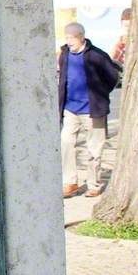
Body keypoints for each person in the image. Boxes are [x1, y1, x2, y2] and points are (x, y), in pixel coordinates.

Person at [58, 22, 119, 198]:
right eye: (67, 37)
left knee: (94, 149)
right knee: (66, 143)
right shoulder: (65, 54)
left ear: (82, 37)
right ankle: (70, 182)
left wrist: (100, 94)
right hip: (70, 108)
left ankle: (93, 184)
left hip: (92, 109)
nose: (69, 41)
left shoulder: (96, 55)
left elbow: (112, 76)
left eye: (72, 38)